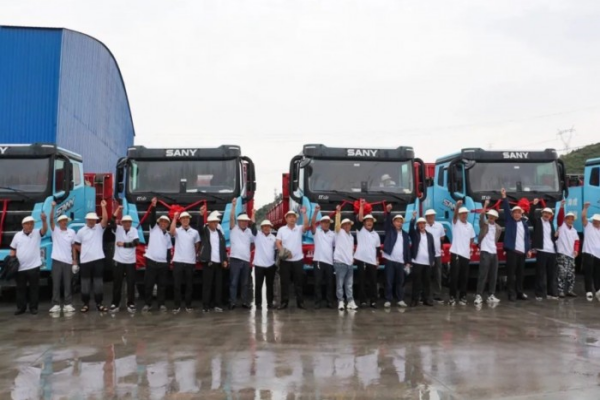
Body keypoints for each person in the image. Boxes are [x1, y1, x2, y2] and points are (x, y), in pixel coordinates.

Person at [74, 200, 109, 313]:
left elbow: (105, 219)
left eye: (93, 219)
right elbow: (76, 244)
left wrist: (103, 207)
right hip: (85, 261)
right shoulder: (81, 231)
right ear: (86, 220)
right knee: (85, 283)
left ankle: (99, 303)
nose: (91, 221)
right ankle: (85, 304)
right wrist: (84, 251)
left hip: (98, 259)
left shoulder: (99, 228)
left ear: (95, 220)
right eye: (89, 219)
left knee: (98, 283)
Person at [10, 213, 48, 315]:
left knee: (34, 288)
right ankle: (21, 308)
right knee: (20, 289)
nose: (30, 225)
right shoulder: (17, 236)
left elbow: (44, 230)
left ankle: (33, 308)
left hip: (34, 267)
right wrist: (12, 262)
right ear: (23, 225)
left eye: (32, 223)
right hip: (20, 268)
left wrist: (44, 221)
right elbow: (13, 250)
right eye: (28, 224)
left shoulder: (36, 233)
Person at [276, 208, 309, 309]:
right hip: (285, 261)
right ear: (286, 219)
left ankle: (300, 302)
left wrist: (304, 213)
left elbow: (306, 225)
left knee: (299, 283)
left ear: (296, 219)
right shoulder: (281, 230)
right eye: (289, 217)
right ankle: (284, 302)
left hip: (298, 261)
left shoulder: (299, 229)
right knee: (284, 283)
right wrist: (284, 252)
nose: (292, 219)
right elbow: (278, 242)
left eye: (293, 217)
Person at [502, 188, 531, 302]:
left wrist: (528, 249)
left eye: (519, 213)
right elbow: (506, 208)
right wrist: (504, 197)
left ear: (521, 214)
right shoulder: (509, 221)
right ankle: (511, 293)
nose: (517, 214)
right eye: (515, 212)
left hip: (522, 253)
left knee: (520, 274)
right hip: (512, 252)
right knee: (511, 274)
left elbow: (527, 237)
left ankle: (519, 292)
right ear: (512, 214)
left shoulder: (524, 224)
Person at [143, 197, 172, 312]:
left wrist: (167, 263)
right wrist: (153, 206)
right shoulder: (154, 229)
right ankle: (148, 304)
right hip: (151, 261)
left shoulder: (168, 236)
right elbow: (152, 218)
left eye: (166, 222)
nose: (163, 223)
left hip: (163, 264)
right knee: (148, 284)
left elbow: (168, 251)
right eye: (162, 222)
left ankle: (161, 304)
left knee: (162, 285)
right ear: (159, 223)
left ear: (168, 224)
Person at [170, 211, 201, 313]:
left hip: (190, 262)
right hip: (178, 261)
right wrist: (174, 218)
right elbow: (171, 231)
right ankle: (177, 305)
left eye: (187, 218)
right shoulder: (177, 231)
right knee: (177, 285)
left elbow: (197, 245)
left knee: (189, 285)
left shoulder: (195, 232)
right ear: (180, 220)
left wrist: (192, 254)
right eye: (183, 218)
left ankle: (188, 305)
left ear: (189, 220)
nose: (185, 220)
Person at [110, 207, 140, 313]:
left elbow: (136, 243)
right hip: (118, 260)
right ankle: (115, 303)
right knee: (117, 283)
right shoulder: (117, 229)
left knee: (131, 283)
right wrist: (117, 209)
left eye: (129, 222)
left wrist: (123, 244)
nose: (127, 224)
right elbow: (111, 222)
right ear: (122, 223)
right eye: (125, 222)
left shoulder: (134, 230)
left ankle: (130, 303)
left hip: (130, 261)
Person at [48, 202, 76, 314]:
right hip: (57, 261)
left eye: (65, 221)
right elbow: (51, 220)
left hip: (68, 261)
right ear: (59, 222)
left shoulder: (72, 232)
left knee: (68, 284)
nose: (64, 222)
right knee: (56, 283)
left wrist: (74, 260)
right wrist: (53, 208)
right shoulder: (55, 231)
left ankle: (68, 304)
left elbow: (73, 247)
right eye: (62, 221)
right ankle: (56, 304)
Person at [198, 211, 228, 312]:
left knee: (218, 285)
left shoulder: (219, 233)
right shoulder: (204, 231)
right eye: (214, 222)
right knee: (207, 285)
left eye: (217, 222)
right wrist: (201, 215)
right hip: (208, 262)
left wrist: (224, 260)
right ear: (209, 223)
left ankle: (217, 305)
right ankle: (205, 306)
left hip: (219, 263)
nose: (216, 223)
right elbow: (199, 227)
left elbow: (223, 248)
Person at [228, 197, 254, 310]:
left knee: (245, 283)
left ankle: (245, 302)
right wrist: (233, 206)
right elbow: (231, 218)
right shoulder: (233, 229)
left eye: (245, 221)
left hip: (246, 260)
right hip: (235, 259)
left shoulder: (249, 232)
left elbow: (253, 243)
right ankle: (232, 302)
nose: (244, 222)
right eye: (242, 221)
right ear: (238, 221)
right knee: (233, 282)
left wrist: (253, 214)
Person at [382, 204, 411, 308]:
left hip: (401, 261)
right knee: (389, 281)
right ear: (393, 222)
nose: (399, 223)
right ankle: (388, 299)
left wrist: (408, 261)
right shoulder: (389, 231)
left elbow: (407, 248)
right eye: (397, 221)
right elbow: (386, 223)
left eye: (400, 222)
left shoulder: (405, 234)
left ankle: (400, 299)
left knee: (400, 282)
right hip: (390, 260)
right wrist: (388, 212)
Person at [529, 199, 558, 301]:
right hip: (542, 250)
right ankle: (539, 294)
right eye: (545, 213)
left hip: (552, 251)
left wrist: (556, 236)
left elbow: (552, 238)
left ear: (551, 216)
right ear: (542, 213)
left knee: (551, 274)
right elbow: (530, 216)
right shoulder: (537, 221)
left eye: (549, 214)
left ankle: (551, 293)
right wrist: (534, 205)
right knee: (540, 273)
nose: (547, 215)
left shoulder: (551, 224)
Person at [448, 200, 475, 305]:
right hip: (456, 254)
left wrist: (466, 246)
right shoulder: (456, 223)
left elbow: (472, 238)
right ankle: (452, 297)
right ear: (459, 215)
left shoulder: (470, 226)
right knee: (454, 277)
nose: (464, 215)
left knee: (464, 277)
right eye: (462, 214)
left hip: (466, 255)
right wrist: (457, 206)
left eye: (465, 213)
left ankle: (463, 297)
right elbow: (454, 216)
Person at [475, 199, 502, 306]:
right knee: (483, 274)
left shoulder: (498, 228)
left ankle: (491, 294)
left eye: (493, 217)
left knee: (493, 274)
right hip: (485, 251)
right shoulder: (484, 224)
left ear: (495, 218)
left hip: (493, 252)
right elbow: (481, 216)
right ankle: (478, 295)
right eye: (490, 216)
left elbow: (496, 239)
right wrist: (485, 205)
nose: (491, 218)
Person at [356, 199, 381, 308]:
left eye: (371, 221)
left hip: (372, 261)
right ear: (364, 223)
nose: (369, 222)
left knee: (373, 282)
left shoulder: (376, 235)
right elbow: (360, 218)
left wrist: (377, 259)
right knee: (361, 282)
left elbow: (378, 249)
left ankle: (373, 301)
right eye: (367, 221)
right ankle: (362, 301)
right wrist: (361, 206)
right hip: (361, 260)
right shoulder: (360, 230)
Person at [333, 205, 358, 311]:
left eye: (349, 224)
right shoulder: (339, 232)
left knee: (349, 284)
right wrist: (338, 213)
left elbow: (351, 249)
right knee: (340, 284)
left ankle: (350, 301)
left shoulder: (351, 237)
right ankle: (340, 301)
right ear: (342, 226)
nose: (347, 226)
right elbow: (337, 225)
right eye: (345, 224)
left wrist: (352, 258)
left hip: (349, 263)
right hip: (340, 262)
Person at [311, 205, 335, 309]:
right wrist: (316, 212)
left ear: (329, 223)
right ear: (320, 223)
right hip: (318, 261)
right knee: (318, 283)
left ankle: (329, 302)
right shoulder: (317, 232)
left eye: (327, 222)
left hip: (329, 262)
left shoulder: (333, 234)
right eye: (324, 222)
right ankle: (317, 302)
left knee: (330, 283)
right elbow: (312, 223)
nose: (326, 224)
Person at [408, 215, 436, 307]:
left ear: (425, 224)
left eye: (423, 223)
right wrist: (413, 219)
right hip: (417, 262)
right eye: (419, 224)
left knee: (427, 282)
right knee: (416, 282)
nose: (422, 225)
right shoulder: (415, 234)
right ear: (417, 225)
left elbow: (432, 249)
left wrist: (432, 259)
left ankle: (426, 299)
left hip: (427, 262)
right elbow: (411, 229)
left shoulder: (430, 235)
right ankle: (414, 300)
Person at [555, 200, 579, 298]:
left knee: (571, 274)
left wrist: (576, 250)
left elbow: (576, 241)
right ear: (565, 219)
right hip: (562, 253)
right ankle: (560, 290)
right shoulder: (562, 226)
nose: (570, 220)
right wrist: (561, 206)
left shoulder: (574, 231)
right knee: (562, 273)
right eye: (568, 218)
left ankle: (570, 290)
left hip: (571, 255)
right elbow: (559, 218)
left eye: (572, 219)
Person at [253, 219, 277, 310]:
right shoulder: (257, 235)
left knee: (270, 285)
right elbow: (252, 227)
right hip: (259, 265)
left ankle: (269, 303)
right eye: (264, 226)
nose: (266, 228)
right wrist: (253, 215)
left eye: (268, 226)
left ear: (270, 227)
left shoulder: (274, 238)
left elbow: (276, 251)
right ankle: (258, 304)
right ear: (262, 228)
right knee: (258, 285)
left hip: (270, 265)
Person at [424, 209, 445, 303]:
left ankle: (437, 294)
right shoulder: (424, 226)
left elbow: (442, 237)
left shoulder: (439, 226)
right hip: (426, 255)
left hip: (437, 254)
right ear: (426, 217)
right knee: (426, 276)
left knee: (438, 275)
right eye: (429, 216)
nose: (431, 217)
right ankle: (425, 294)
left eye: (432, 216)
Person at [581, 202, 600, 302]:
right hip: (589, 253)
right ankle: (588, 291)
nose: (596, 222)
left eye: (598, 221)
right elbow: (583, 217)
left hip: (598, 255)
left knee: (597, 273)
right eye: (595, 220)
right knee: (588, 272)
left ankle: (598, 290)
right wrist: (585, 208)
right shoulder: (588, 226)